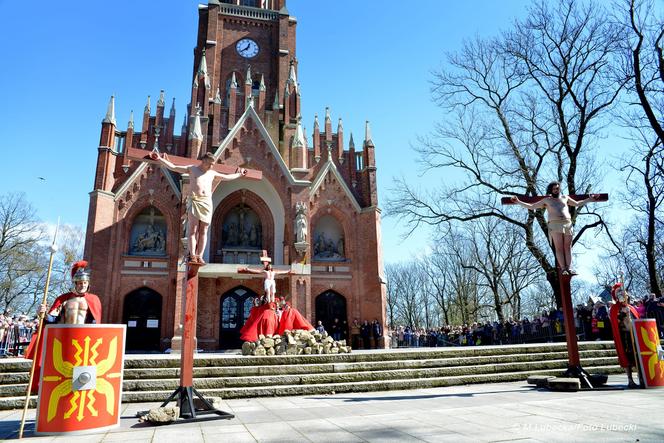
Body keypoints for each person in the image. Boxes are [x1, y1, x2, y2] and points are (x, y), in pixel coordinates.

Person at [152, 151, 247, 264]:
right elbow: (174, 167)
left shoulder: (212, 173)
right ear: (204, 161)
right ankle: (192, 255)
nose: (212, 166)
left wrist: (240, 174)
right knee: (193, 230)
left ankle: (200, 256)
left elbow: (227, 177)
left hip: (206, 202)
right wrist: (159, 159)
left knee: (204, 231)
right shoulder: (192, 169)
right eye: (210, 163)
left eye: (213, 164)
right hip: (195, 201)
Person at [24, 261, 102, 393]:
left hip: (84, 340)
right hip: (65, 338)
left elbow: (95, 323)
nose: (82, 285)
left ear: (88, 284)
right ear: (75, 284)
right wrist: (42, 314)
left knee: (81, 371)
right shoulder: (63, 299)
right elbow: (52, 319)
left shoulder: (94, 300)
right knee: (63, 368)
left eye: (84, 283)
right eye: (79, 283)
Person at [511, 182, 598, 274]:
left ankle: (569, 268)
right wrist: (518, 201)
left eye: (558, 188)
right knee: (559, 247)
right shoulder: (547, 200)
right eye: (554, 189)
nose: (557, 190)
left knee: (568, 247)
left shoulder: (565, 198)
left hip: (567, 223)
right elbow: (532, 206)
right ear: (551, 190)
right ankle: (564, 269)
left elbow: (577, 204)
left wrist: (590, 199)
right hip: (554, 224)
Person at [608, 282, 640, 388]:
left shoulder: (631, 307)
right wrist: (622, 314)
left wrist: (629, 314)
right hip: (624, 336)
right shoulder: (614, 309)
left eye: (623, 292)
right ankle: (630, 380)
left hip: (634, 336)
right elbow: (615, 321)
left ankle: (642, 377)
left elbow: (637, 321)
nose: (622, 294)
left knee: (638, 357)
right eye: (619, 292)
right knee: (627, 357)